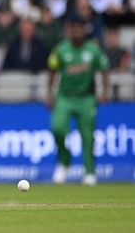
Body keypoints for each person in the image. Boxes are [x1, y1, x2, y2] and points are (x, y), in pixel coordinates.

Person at [46, 13, 110, 186]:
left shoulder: (93, 49)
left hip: (86, 98)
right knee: (57, 129)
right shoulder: (61, 49)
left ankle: (89, 172)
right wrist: (49, 94)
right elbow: (52, 70)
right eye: (73, 29)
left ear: (84, 31)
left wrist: (104, 91)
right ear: (69, 31)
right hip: (64, 97)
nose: (76, 32)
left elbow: (104, 69)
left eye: (80, 29)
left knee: (88, 136)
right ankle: (64, 162)